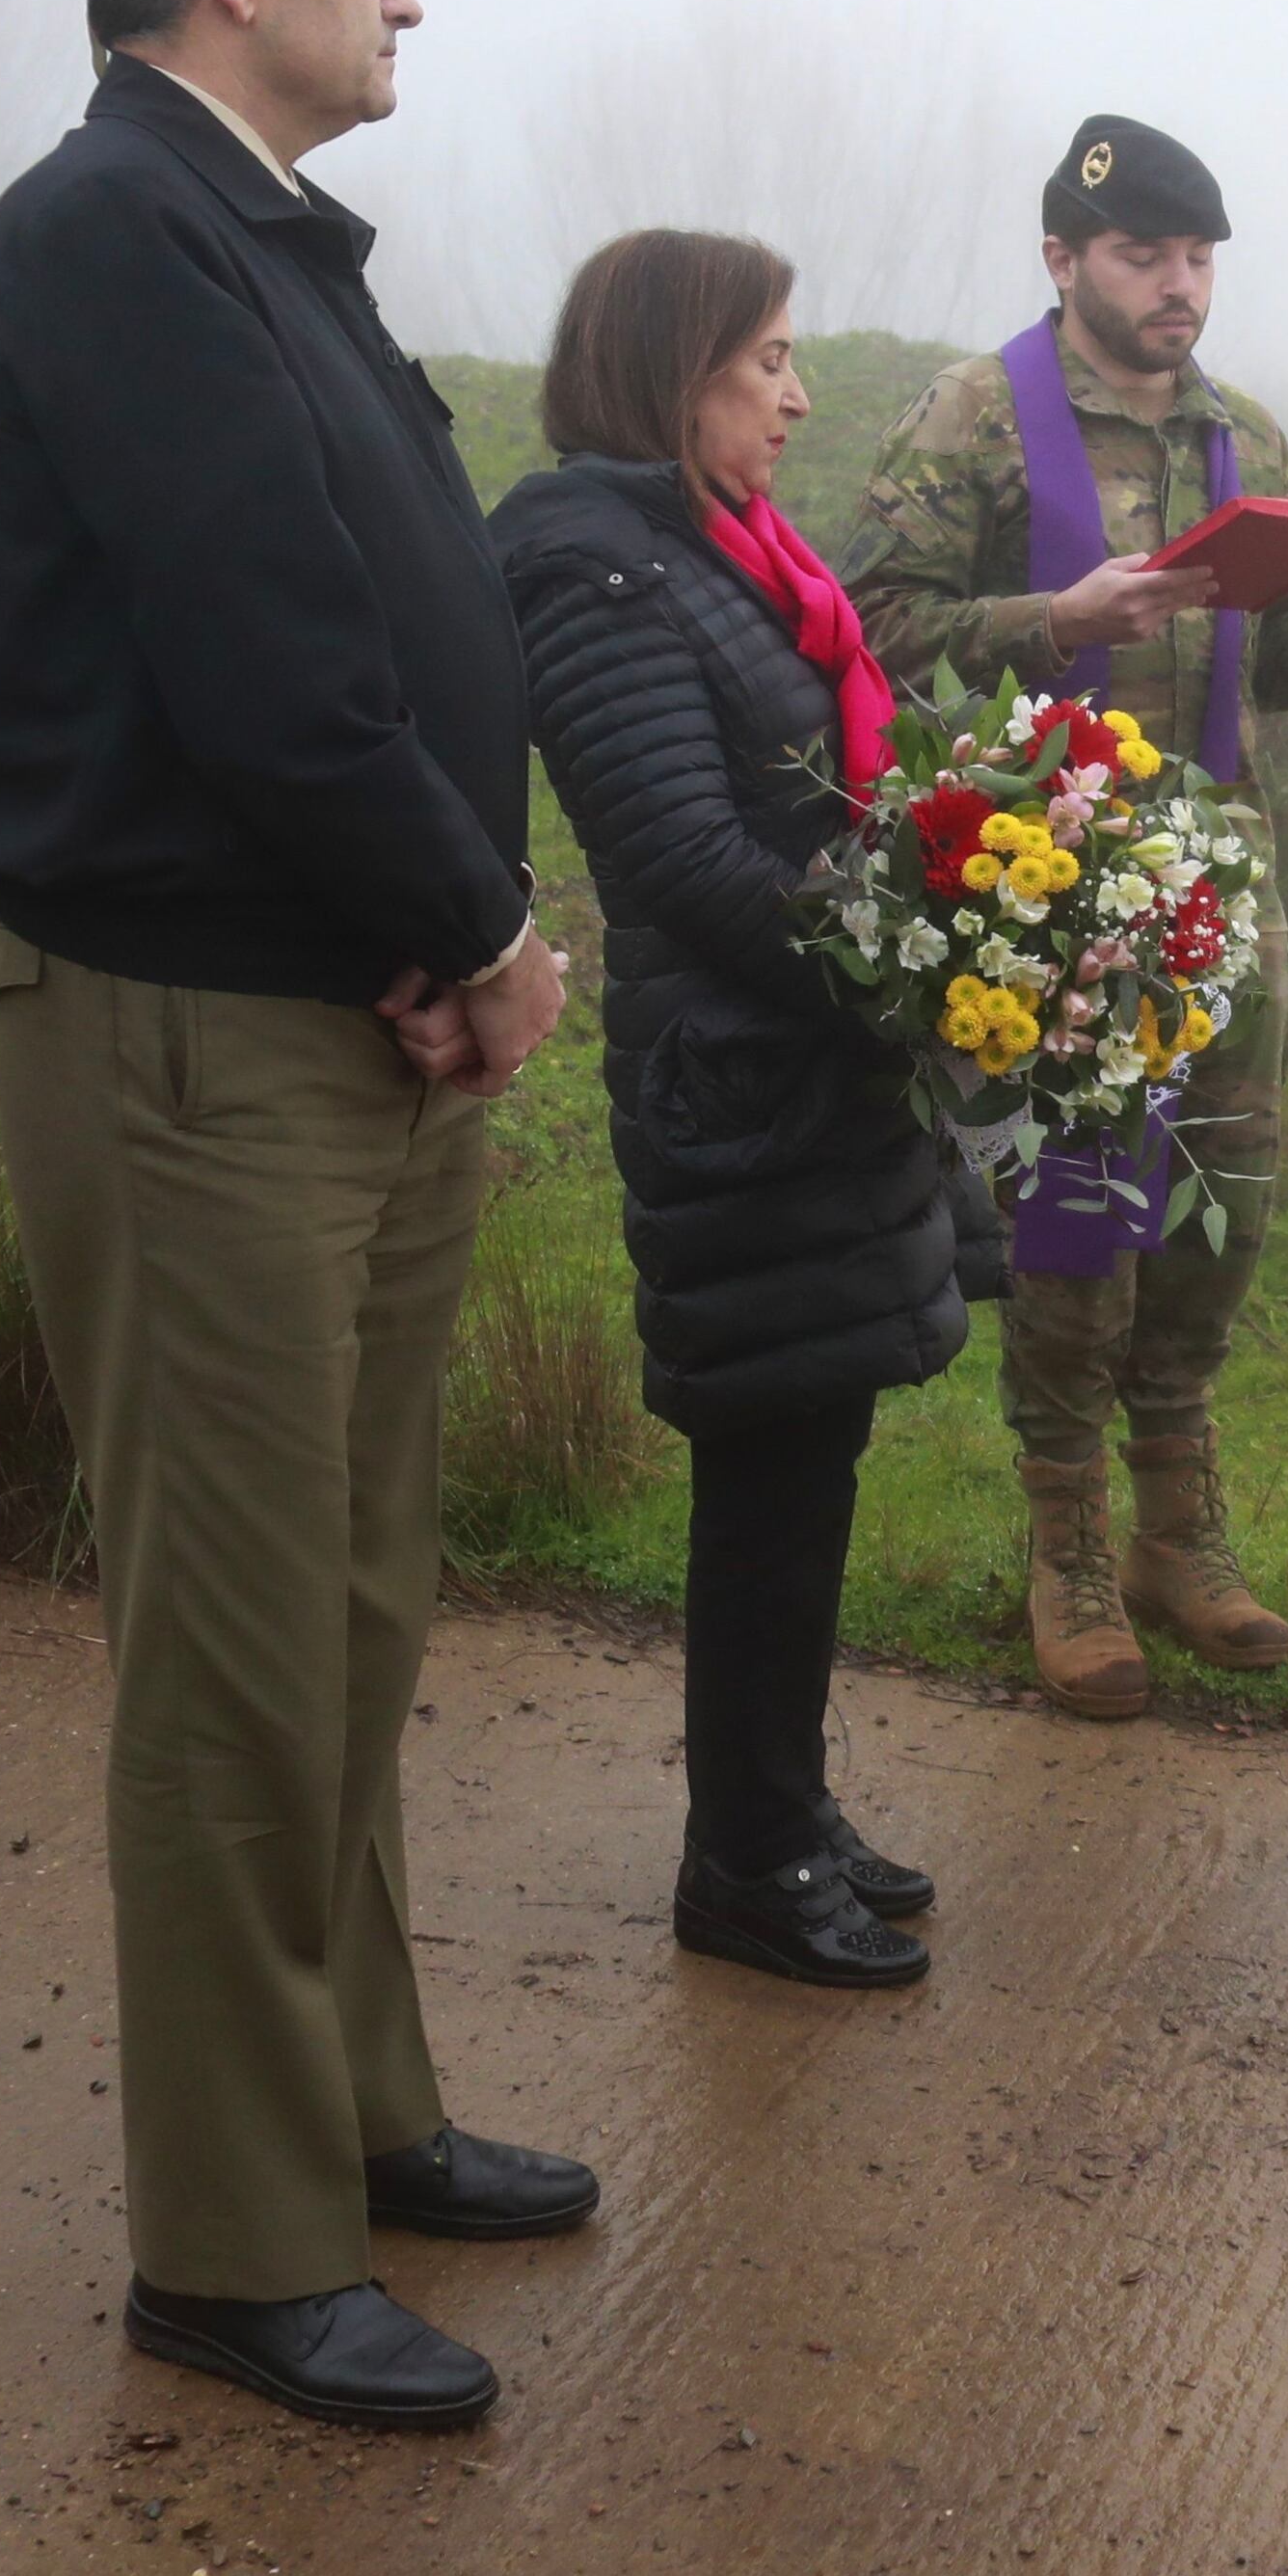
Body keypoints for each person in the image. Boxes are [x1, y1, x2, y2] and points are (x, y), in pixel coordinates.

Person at [0, 0, 590, 2436]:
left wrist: (423, 950)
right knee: (231, 1647)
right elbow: (262, 647)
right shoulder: (113, 229)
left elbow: (352, 612)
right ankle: (230, 2239)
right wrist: (473, 926)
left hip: (350, 1017)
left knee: (348, 1605)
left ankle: (358, 2103)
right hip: (207, 1035)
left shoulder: (262, 238)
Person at [841, 118, 1288, 1720]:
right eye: (1146, 256)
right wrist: (1050, 620)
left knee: (1226, 1184)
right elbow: (867, 628)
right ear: (1064, 260)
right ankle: (1065, 1542)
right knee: (1083, 1203)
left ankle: (1180, 1523)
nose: (1180, 288)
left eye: (1200, 258)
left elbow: (1276, 666)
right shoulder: (976, 419)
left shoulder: (1249, 438)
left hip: (1227, 872)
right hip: (1050, 878)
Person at [489, 231, 967, 1991]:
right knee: (770, 1466)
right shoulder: (595, 568)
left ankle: (782, 1803)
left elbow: (829, 779)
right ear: (671, 370)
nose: (796, 390)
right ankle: (744, 1859)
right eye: (767, 356)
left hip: (805, 1069)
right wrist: (909, 960)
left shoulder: (728, 554)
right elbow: (683, 860)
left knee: (806, 1457)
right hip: (743, 1081)